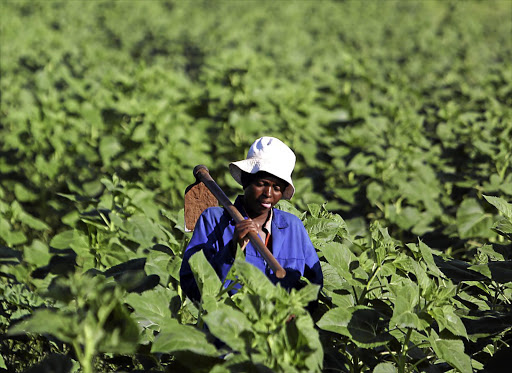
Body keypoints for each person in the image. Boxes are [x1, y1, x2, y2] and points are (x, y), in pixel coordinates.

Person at [179, 137, 323, 302]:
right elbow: (191, 284)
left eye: (276, 188)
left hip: (278, 324)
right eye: (261, 184)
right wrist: (232, 249)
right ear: (246, 180)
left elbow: (314, 286)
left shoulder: (293, 226)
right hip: (227, 324)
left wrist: (296, 311)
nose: (268, 194)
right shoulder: (213, 220)